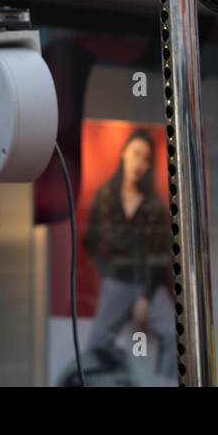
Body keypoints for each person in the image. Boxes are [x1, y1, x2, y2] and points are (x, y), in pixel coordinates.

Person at [81, 129, 175, 382]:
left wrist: (144, 296)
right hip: (117, 281)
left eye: (145, 158)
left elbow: (159, 256)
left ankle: (163, 382)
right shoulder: (105, 197)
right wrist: (105, 273)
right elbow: (90, 241)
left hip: (149, 284)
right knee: (97, 342)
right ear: (124, 154)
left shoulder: (153, 206)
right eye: (136, 154)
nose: (139, 163)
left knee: (174, 334)